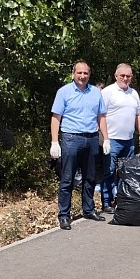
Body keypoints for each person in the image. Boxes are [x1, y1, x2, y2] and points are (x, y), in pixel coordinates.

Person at [50, 61, 110, 230]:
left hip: (91, 139)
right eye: (79, 73)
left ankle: (89, 209)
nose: (82, 76)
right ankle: (64, 215)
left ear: (89, 75)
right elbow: (56, 117)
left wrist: (105, 138)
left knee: (90, 177)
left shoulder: (96, 93)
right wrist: (55, 141)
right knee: (67, 178)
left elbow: (101, 117)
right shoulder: (64, 92)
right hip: (71, 139)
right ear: (73, 73)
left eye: (86, 73)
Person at [100, 63, 140, 213]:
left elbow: (138, 115)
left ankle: (121, 199)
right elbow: (101, 116)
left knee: (126, 172)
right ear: (116, 76)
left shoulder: (134, 94)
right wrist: (105, 138)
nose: (125, 79)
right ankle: (106, 202)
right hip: (112, 139)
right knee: (109, 171)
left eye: (128, 76)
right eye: (122, 76)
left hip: (129, 140)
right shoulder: (108, 92)